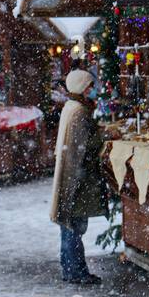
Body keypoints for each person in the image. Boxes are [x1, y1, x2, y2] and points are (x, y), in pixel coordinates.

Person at [49, 69, 108, 284]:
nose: (92, 90)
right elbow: (87, 145)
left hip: (70, 175)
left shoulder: (70, 107)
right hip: (77, 178)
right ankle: (76, 272)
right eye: (90, 86)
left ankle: (70, 268)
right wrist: (104, 135)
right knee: (74, 226)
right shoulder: (79, 112)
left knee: (69, 225)